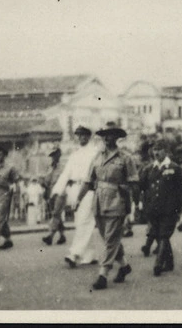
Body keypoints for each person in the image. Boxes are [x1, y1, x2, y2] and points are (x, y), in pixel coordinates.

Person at [76, 122, 138, 290]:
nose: (108, 138)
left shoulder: (126, 158)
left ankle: (103, 273)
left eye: (111, 135)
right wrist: (78, 200)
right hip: (99, 202)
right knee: (109, 238)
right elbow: (88, 182)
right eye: (105, 135)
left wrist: (130, 200)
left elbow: (133, 182)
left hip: (117, 200)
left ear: (117, 138)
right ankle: (124, 266)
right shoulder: (96, 157)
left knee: (111, 239)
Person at [55, 126, 100, 267]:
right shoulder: (75, 154)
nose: (81, 138)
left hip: (89, 189)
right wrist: (58, 190)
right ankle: (89, 255)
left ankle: (74, 254)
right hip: (74, 189)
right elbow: (66, 173)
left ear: (89, 137)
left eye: (84, 135)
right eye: (79, 135)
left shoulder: (95, 152)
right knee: (80, 221)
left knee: (84, 221)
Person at [142, 140, 182, 276]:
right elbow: (144, 188)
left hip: (169, 208)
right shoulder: (149, 168)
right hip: (154, 209)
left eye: (159, 150)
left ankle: (158, 263)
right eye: (155, 150)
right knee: (158, 235)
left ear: (166, 152)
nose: (156, 153)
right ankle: (169, 262)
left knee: (164, 235)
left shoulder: (174, 168)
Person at [42, 148, 67, 246]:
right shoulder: (49, 168)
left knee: (56, 213)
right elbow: (46, 181)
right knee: (56, 214)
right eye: (52, 155)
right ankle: (62, 235)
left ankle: (50, 236)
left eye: (55, 155)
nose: (53, 157)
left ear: (59, 156)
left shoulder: (64, 167)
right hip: (51, 192)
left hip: (61, 192)